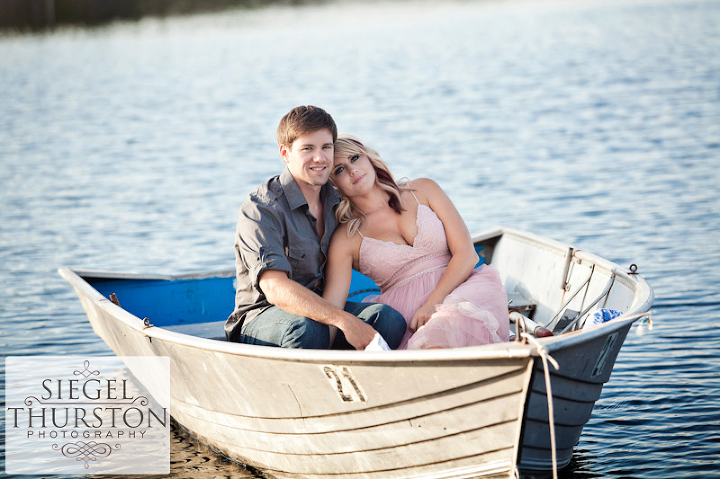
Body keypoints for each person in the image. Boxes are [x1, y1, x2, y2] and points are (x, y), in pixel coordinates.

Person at [225, 107, 406, 350]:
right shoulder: (261, 209)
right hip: (263, 316)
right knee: (305, 328)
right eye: (307, 148)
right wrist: (343, 321)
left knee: (387, 319)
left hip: (322, 311)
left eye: (326, 147)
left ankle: (353, 384)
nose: (320, 158)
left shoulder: (337, 201)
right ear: (285, 153)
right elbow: (274, 288)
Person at [323, 134, 510, 349]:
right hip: (406, 317)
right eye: (339, 170)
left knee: (449, 321)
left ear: (368, 158)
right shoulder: (346, 239)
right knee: (434, 337)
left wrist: (433, 304)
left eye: (355, 158)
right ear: (333, 184)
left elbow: (466, 254)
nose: (352, 170)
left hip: (461, 291)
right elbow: (332, 307)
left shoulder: (423, 190)